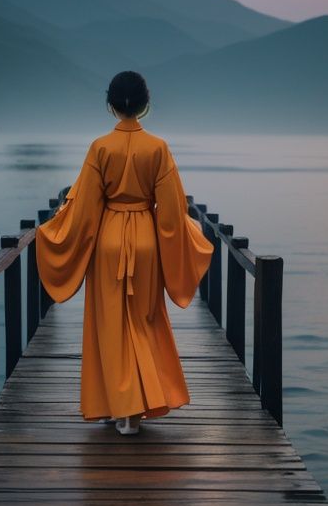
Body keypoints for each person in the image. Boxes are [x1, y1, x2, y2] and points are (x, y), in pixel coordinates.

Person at [36, 71, 214, 435]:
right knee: (144, 322)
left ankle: (113, 406)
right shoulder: (158, 148)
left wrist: (56, 225)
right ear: (146, 105)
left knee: (109, 326)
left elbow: (84, 207)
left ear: (111, 105)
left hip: (109, 240)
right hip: (146, 241)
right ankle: (132, 414)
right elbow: (171, 210)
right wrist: (189, 233)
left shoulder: (100, 147)